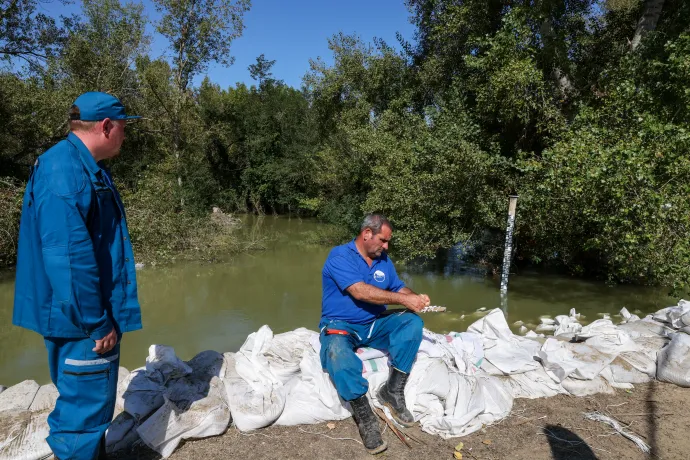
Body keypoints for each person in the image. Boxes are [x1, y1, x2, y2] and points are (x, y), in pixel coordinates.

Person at [12, 92, 143, 460]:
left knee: (89, 407)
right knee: (82, 416)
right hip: (80, 321)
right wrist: (98, 323)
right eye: (123, 127)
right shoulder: (66, 172)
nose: (125, 135)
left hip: (76, 314)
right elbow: (68, 259)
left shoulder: (80, 165)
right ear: (105, 126)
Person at [319, 214, 430, 454]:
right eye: (383, 240)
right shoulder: (340, 256)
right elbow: (360, 292)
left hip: (373, 323)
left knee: (411, 322)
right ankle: (365, 414)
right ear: (367, 233)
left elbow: (398, 288)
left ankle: (392, 390)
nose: (386, 246)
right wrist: (403, 298)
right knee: (337, 353)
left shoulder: (383, 260)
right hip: (341, 324)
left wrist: (415, 298)